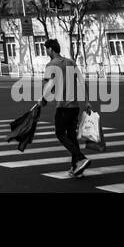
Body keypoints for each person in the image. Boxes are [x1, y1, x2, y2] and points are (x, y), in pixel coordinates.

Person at [40, 39, 89, 178]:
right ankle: (76, 168)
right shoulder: (71, 62)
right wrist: (86, 101)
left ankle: (80, 158)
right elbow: (81, 81)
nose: (46, 52)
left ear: (51, 49)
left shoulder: (51, 64)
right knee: (72, 136)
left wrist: (43, 99)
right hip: (75, 107)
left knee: (60, 133)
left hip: (63, 106)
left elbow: (49, 85)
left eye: (46, 49)